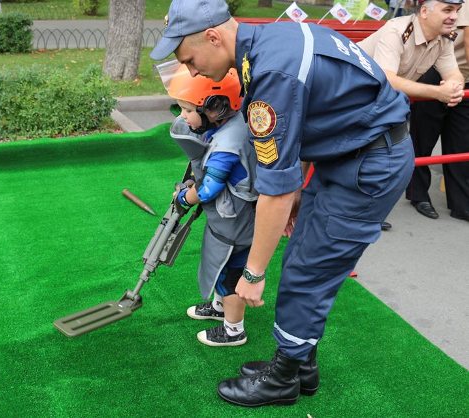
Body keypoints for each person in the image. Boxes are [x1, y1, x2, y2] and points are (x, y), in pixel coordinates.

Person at [151, 0, 414, 408]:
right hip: (352, 152)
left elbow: (273, 189)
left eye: (189, 59)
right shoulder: (272, 42)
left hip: (368, 163)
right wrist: (296, 196)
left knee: (308, 269)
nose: (192, 71)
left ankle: (283, 379)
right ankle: (300, 365)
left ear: (213, 36)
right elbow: (322, 111)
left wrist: (253, 273)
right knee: (304, 259)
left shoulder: (270, 71)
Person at [158, 61, 258, 346]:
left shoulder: (227, 145)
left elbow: (207, 191)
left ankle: (233, 330)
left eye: (188, 110)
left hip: (235, 221)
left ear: (215, 107)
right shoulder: (231, 124)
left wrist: (183, 197)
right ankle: (218, 309)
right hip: (229, 219)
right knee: (219, 262)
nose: (183, 116)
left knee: (231, 274)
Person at [359, 0, 465, 220]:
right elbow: (388, 79)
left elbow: (454, 73)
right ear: (424, 11)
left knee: (382, 157)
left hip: (379, 101)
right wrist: (438, 92)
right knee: (356, 158)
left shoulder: (443, 38)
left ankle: (369, 214)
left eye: (457, 10)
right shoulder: (397, 31)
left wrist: (453, 86)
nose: (454, 17)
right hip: (352, 95)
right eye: (447, 10)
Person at [405, 4, 469, 221]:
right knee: (424, 137)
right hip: (434, 70)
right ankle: (418, 194)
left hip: (462, 80)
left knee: (461, 142)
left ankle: (461, 204)